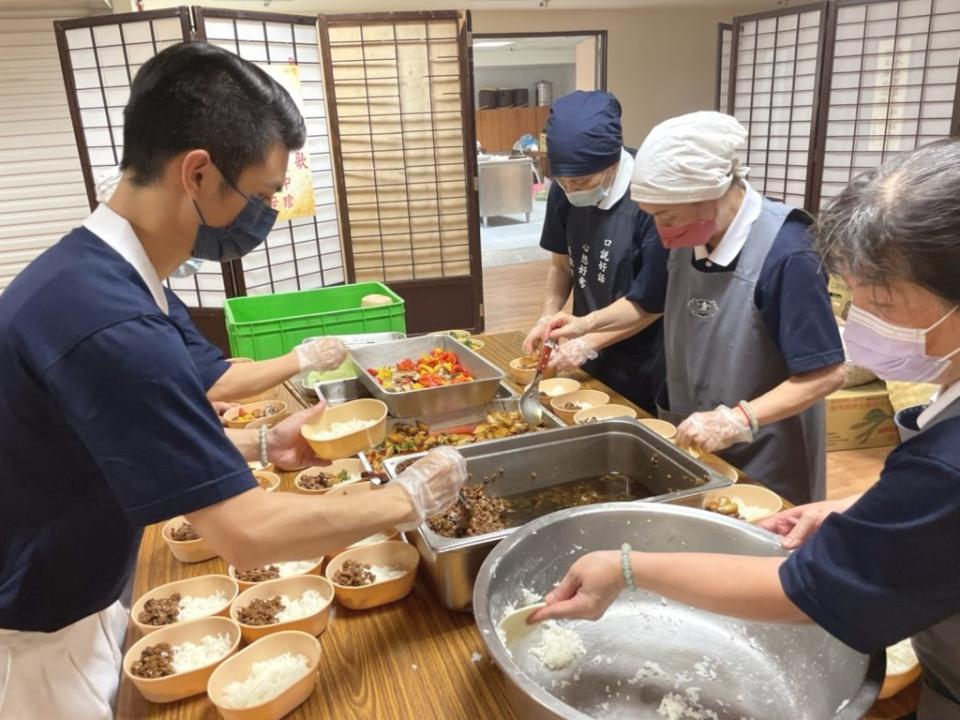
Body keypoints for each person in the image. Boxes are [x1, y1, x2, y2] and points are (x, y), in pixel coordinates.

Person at [0, 42, 466, 719]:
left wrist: (256, 447)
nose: (269, 213)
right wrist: (410, 498)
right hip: (42, 631)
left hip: (79, 588)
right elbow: (246, 532)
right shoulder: (109, 324)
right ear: (197, 173)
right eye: (264, 193)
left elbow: (130, 426)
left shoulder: (111, 280)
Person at [531, 139, 960, 719]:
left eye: (878, 302)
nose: (856, 320)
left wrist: (629, 567)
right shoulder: (680, 241)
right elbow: (645, 303)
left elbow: (813, 587)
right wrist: (858, 507)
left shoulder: (783, 253)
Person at [538, 112, 844, 504]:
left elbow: (827, 374)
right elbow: (644, 304)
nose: (660, 231)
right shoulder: (688, 233)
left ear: (709, 195)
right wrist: (582, 325)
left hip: (765, 449)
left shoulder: (787, 253)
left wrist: (737, 419)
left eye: (665, 216)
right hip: (693, 427)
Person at [521, 91, 666, 414]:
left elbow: (654, 303)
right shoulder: (565, 189)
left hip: (642, 355)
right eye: (563, 181)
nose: (571, 190)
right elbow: (561, 266)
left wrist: (589, 341)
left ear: (612, 161)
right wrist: (549, 318)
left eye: (583, 181)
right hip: (584, 344)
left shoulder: (650, 196)